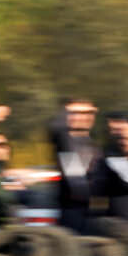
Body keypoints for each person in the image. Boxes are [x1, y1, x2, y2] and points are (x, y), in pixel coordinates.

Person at [50, 98, 100, 230]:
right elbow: (77, 184)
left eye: (88, 113)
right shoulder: (64, 142)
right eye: (75, 113)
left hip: (93, 215)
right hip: (72, 215)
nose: (82, 117)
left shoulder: (93, 145)